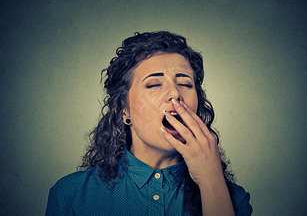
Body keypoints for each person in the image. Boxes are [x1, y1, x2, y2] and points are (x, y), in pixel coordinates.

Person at [46, 31, 253, 216]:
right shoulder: (70, 195)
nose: (175, 94)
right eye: (154, 84)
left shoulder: (233, 200)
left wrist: (211, 180)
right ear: (123, 109)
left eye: (185, 84)